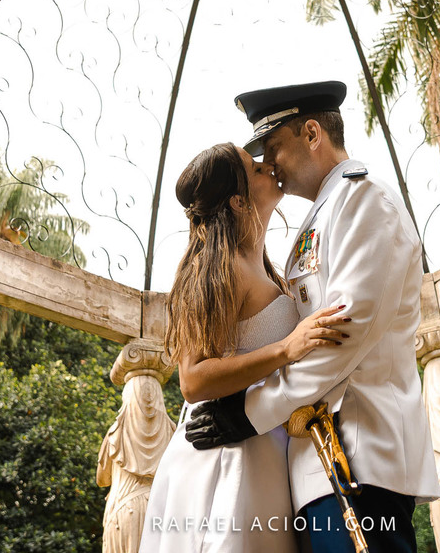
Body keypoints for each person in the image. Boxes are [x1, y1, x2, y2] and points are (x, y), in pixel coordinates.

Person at [186, 81, 440, 553]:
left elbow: (342, 335)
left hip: (360, 455)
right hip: (311, 465)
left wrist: (249, 413)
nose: (269, 164)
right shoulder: (324, 215)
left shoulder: (366, 202)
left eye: (273, 148)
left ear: (311, 134)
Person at [140, 142, 352, 552]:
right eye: (254, 168)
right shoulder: (213, 268)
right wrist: (285, 349)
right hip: (224, 457)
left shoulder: (271, 269)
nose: (267, 165)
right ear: (238, 201)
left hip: (266, 451)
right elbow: (192, 380)